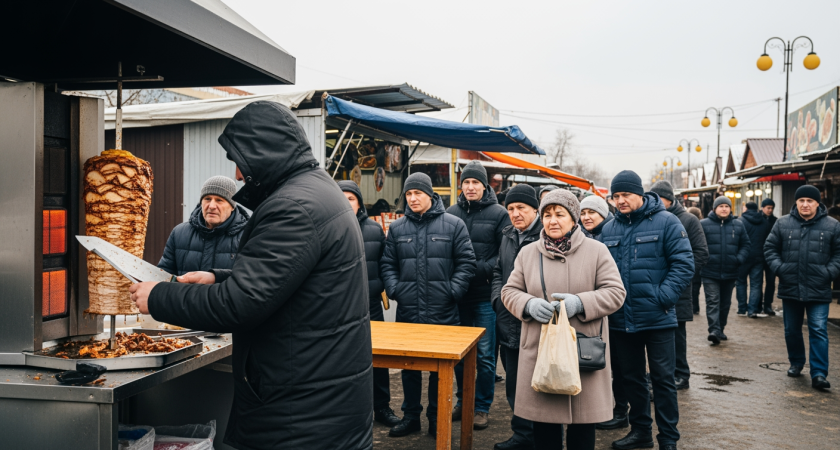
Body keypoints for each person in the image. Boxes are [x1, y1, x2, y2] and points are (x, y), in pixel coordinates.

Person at [128, 101, 374, 450]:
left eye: (239, 162)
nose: (239, 175)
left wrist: (158, 297)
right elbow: (288, 277)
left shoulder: (293, 207)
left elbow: (239, 305)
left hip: (299, 413)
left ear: (263, 152)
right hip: (321, 397)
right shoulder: (319, 190)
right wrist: (218, 277)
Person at [502, 189, 626, 450]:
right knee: (544, 428)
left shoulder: (597, 251)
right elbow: (509, 291)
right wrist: (528, 304)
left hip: (583, 352)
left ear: (574, 218)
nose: (552, 220)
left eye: (560, 214)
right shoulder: (528, 253)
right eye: (547, 214)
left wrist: (580, 303)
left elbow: (616, 293)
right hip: (542, 352)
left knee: (583, 429)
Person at [598, 170, 694, 450]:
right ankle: (641, 432)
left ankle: (668, 439)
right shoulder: (609, 228)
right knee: (632, 379)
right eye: (615, 196)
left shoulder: (667, 221)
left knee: (663, 381)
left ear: (640, 194)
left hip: (658, 318)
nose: (620, 201)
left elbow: (684, 263)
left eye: (625, 195)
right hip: (620, 318)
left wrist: (663, 297)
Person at [380, 172, 477, 437]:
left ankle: (437, 418)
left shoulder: (454, 225)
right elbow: (388, 263)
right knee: (409, 367)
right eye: (409, 194)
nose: (412, 199)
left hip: (443, 310)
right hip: (409, 310)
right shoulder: (398, 228)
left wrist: (452, 291)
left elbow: (467, 263)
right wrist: (396, 289)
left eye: (417, 193)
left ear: (430, 196)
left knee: (440, 370)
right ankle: (411, 417)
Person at [446, 161, 508, 429]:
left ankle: (481, 407)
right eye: (466, 183)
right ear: (461, 185)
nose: (470, 187)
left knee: (484, 355)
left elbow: (503, 255)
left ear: (485, 185)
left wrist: (475, 268)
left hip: (484, 295)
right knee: (458, 355)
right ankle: (463, 401)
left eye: (475, 183)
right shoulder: (450, 212)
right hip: (458, 296)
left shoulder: (500, 214)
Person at [338, 180, 401, 428]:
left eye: (351, 198)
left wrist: (388, 288)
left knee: (377, 357)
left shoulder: (375, 230)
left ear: (359, 202)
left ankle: (382, 407)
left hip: (369, 304)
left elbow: (386, 264)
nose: (346, 202)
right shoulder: (325, 227)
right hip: (337, 306)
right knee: (340, 358)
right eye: (341, 197)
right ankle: (347, 411)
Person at [764, 185, 840, 391]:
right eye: (801, 201)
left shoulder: (832, 226)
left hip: (819, 288)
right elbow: (770, 248)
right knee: (791, 330)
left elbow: (838, 254)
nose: (805, 205)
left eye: (810, 201)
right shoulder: (782, 224)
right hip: (791, 287)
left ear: (817, 203)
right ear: (796, 203)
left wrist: (828, 272)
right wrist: (780, 268)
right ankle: (796, 362)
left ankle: (819, 373)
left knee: (818, 330)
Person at [492, 184, 543, 450]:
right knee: (513, 384)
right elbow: (499, 272)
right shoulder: (508, 235)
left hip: (536, 323)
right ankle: (522, 434)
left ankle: (539, 435)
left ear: (535, 209)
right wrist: (497, 300)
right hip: (508, 321)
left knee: (538, 384)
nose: (515, 213)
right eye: (510, 208)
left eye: (521, 208)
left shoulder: (546, 236)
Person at [650, 181, 709, 391]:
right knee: (657, 334)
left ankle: (681, 374)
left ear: (669, 199)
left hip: (678, 288)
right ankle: (662, 374)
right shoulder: (652, 218)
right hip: (654, 287)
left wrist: (679, 276)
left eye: (658, 198)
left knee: (677, 334)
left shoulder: (689, 220)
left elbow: (701, 253)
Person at [158, 176, 249, 275]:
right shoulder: (179, 234)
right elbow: (163, 276)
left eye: (219, 200)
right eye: (207, 199)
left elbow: (251, 279)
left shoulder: (248, 236)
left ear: (232, 206)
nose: (211, 206)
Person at [700, 196, 750, 345]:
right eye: (720, 206)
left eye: (726, 206)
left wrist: (738, 259)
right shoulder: (703, 224)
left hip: (730, 271)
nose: (724, 209)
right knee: (713, 301)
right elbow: (697, 245)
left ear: (730, 209)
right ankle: (714, 330)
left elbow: (746, 245)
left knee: (725, 303)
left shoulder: (738, 225)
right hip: (710, 271)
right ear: (714, 208)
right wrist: (704, 260)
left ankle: (720, 328)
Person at [737, 202, 772, 318]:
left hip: (744, 256)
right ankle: (752, 310)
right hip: (759, 257)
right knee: (756, 284)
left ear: (746, 208)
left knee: (741, 282)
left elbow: (738, 239)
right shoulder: (765, 222)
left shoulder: (741, 221)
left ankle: (742, 308)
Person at [760, 198, 778, 315]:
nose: (770, 210)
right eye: (768, 208)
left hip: (771, 256)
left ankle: (767, 304)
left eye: (772, 208)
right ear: (763, 208)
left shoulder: (776, 221)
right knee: (758, 282)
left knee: (771, 282)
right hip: (759, 255)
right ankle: (757, 303)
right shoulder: (758, 220)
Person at [686, 206, 705, 314]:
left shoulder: (686, 224)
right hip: (696, 259)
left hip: (689, 258)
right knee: (696, 285)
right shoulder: (701, 224)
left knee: (690, 285)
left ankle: (692, 306)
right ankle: (695, 306)